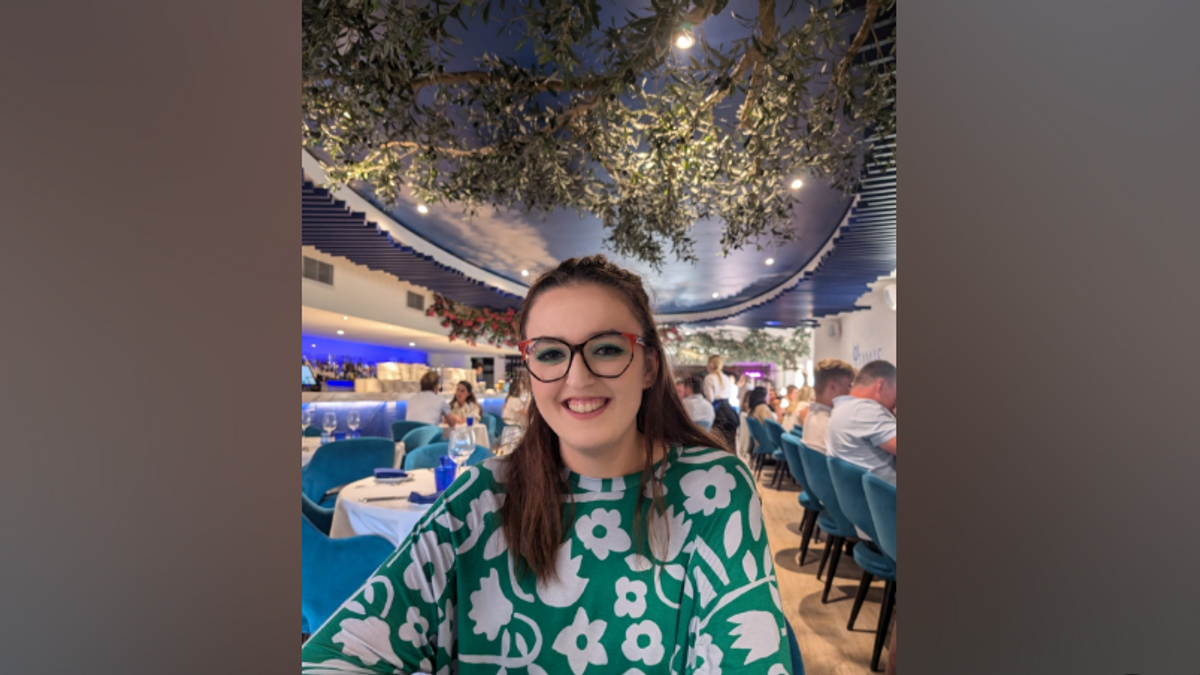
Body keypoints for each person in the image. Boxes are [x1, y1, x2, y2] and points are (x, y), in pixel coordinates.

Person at [301, 254, 790, 674]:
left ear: (648, 366)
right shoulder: (480, 499)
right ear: (531, 372)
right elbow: (339, 652)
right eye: (551, 353)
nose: (577, 377)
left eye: (606, 349)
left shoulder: (714, 491)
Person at [826, 360, 897, 483]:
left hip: (860, 491)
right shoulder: (865, 411)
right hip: (886, 493)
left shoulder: (841, 409)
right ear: (880, 386)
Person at [799, 359, 856, 454]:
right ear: (832, 387)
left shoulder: (811, 415)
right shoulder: (832, 426)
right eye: (849, 385)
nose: (851, 391)